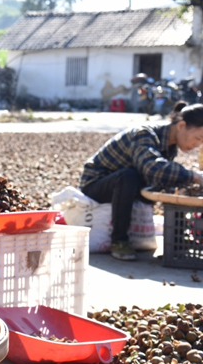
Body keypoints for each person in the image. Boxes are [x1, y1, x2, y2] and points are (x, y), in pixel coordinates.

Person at [80, 100, 203, 261]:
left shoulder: (170, 147)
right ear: (181, 126)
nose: (198, 145)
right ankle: (119, 241)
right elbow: (152, 168)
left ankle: (178, 241)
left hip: (126, 187)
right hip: (95, 185)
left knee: (176, 182)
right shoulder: (144, 134)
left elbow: (163, 177)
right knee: (128, 176)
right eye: (198, 138)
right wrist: (194, 175)